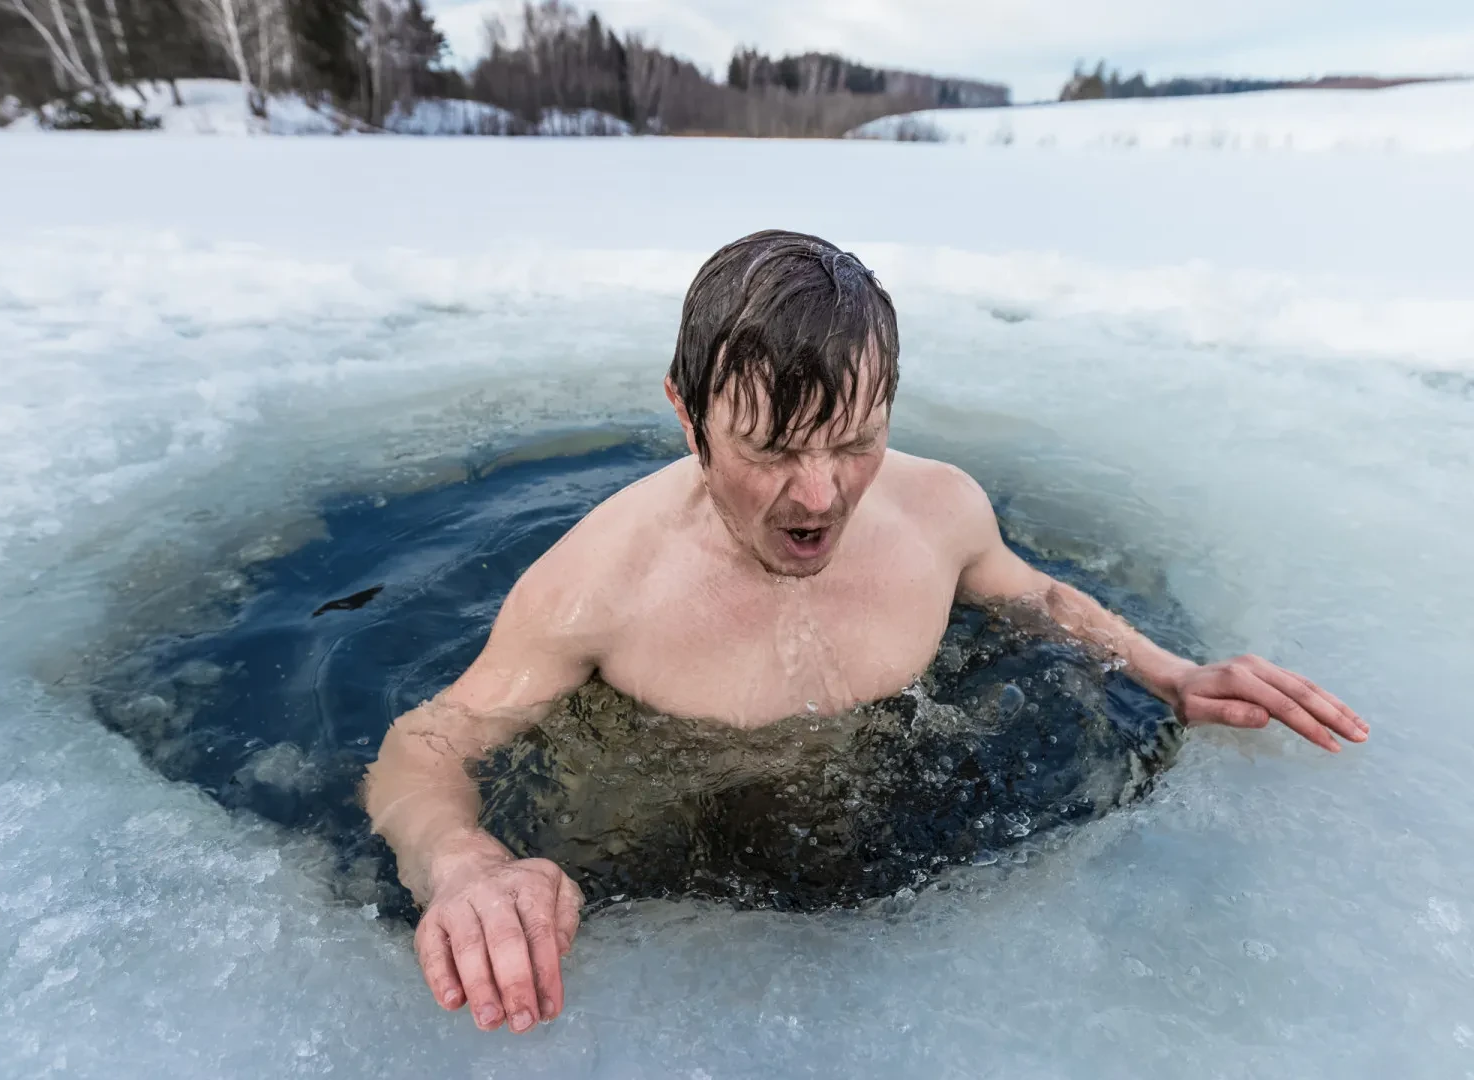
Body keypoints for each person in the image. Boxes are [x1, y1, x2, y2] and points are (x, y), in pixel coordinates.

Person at [362, 230, 1367, 1035]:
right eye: (771, 449)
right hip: (668, 858)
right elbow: (428, 742)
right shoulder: (596, 586)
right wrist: (465, 863)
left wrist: (1170, 672)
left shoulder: (937, 512)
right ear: (686, 413)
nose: (822, 495)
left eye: (855, 440)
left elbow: (1040, 599)